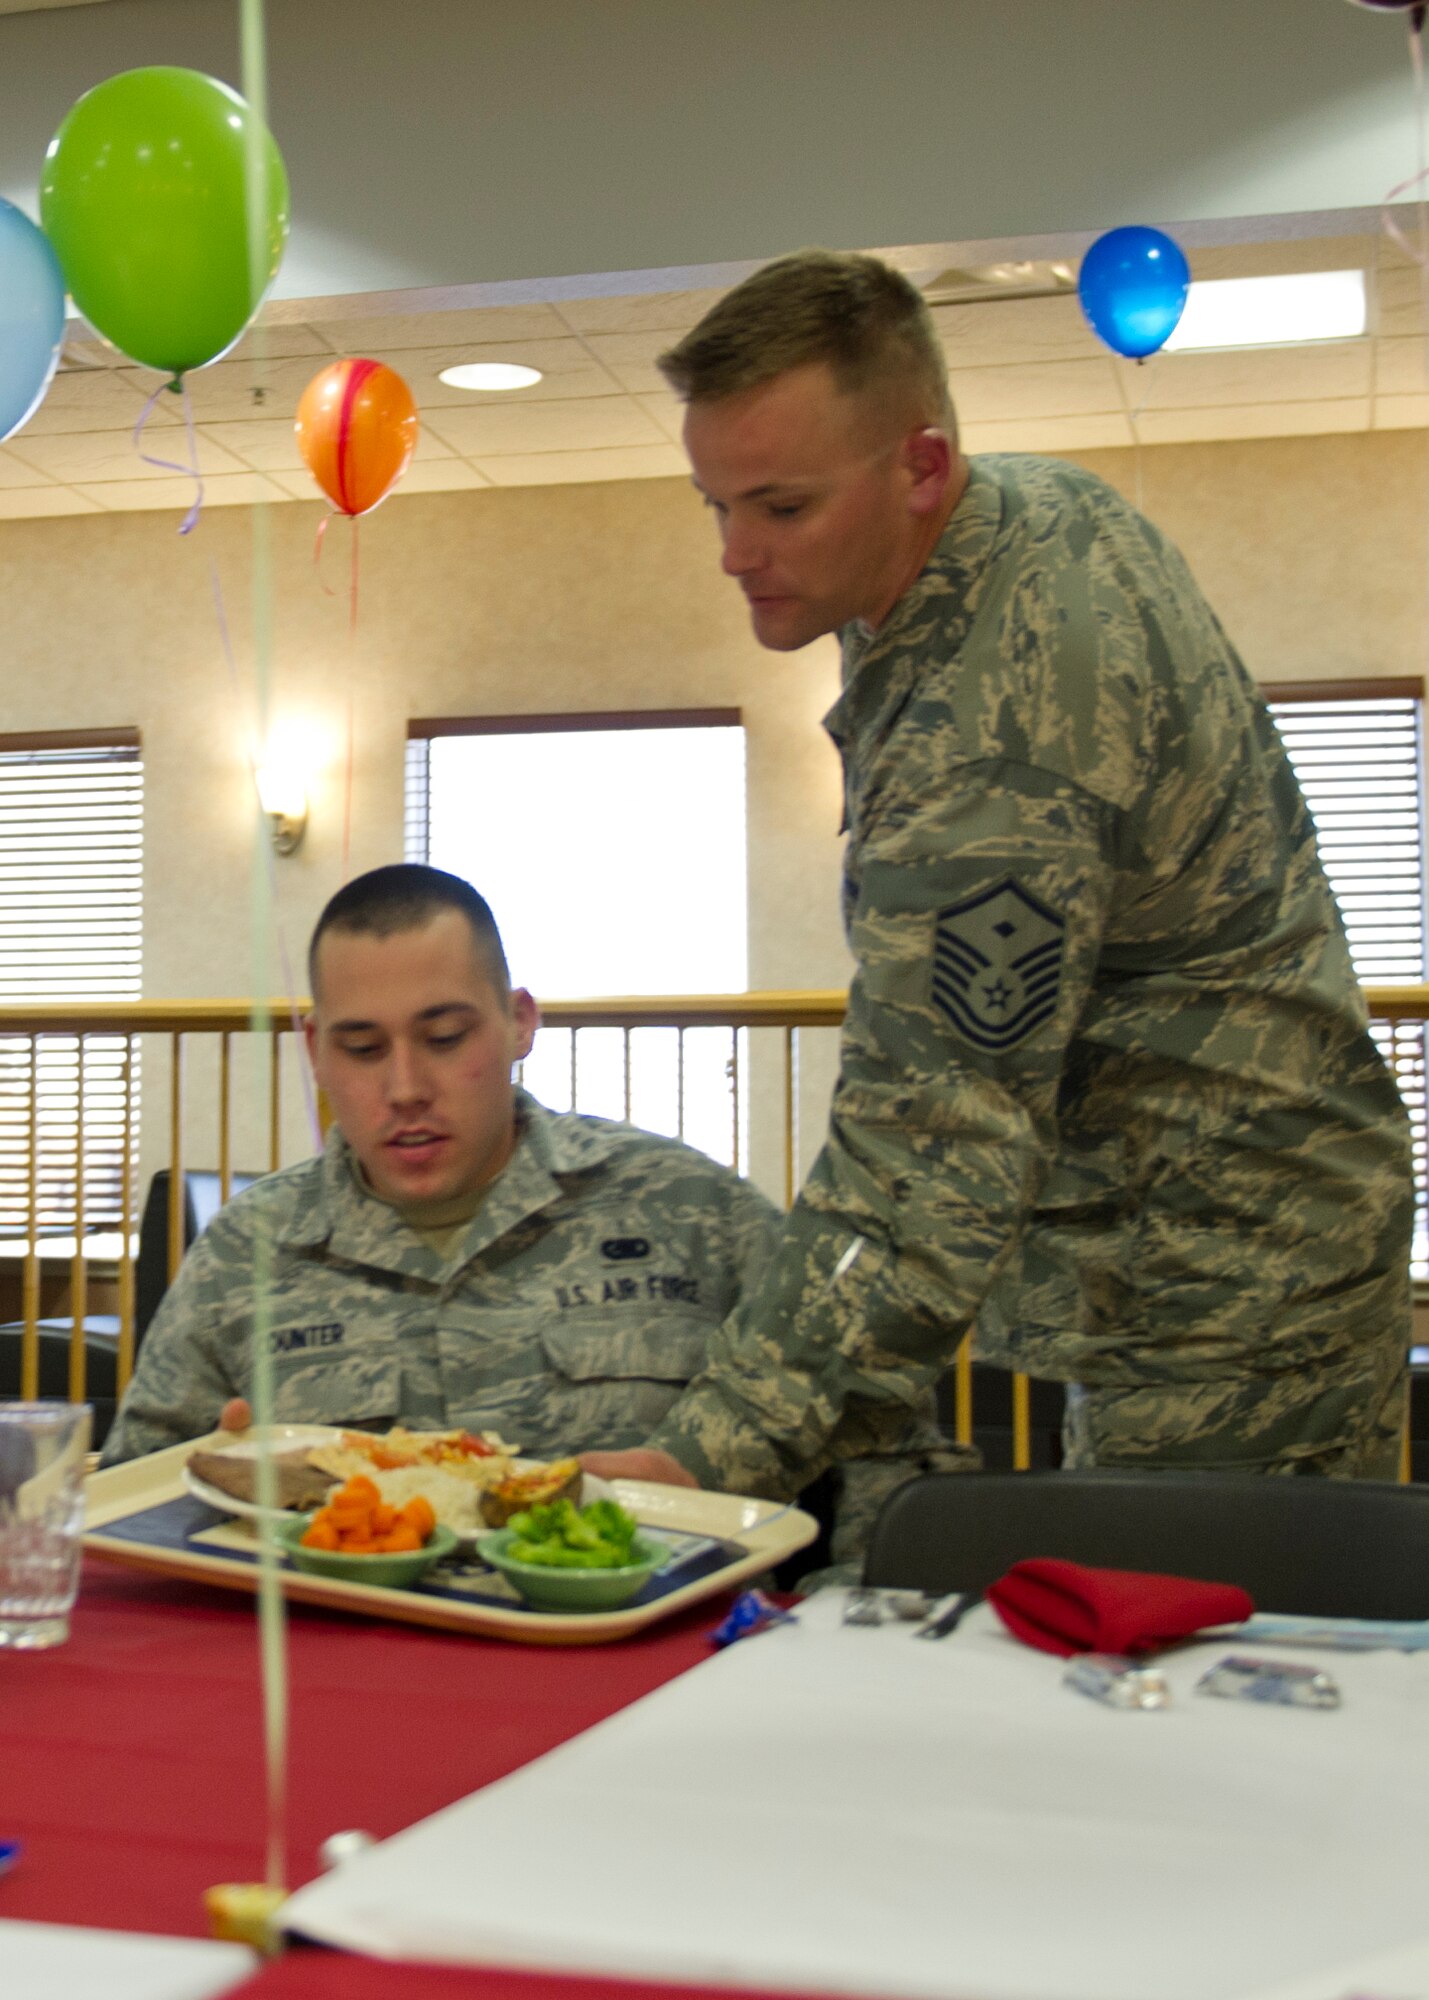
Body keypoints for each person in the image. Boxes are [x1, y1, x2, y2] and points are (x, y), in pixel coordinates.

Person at [583, 248, 1414, 1537]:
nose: (737, 552)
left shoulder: (1001, 731)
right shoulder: (1027, 515)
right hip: (1209, 1233)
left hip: (1227, 1281)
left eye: (781, 507)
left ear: (921, 467)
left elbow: (932, 1149)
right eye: (717, 504)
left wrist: (717, 1448)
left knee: (1202, 1692)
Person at [101, 865, 781, 1465]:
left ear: (518, 1023)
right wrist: (207, 1485)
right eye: (363, 1048)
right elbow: (134, 1504)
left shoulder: (693, 1212)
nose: (404, 1089)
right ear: (315, 1049)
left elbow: (867, 1452)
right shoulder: (246, 1248)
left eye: (445, 1038)